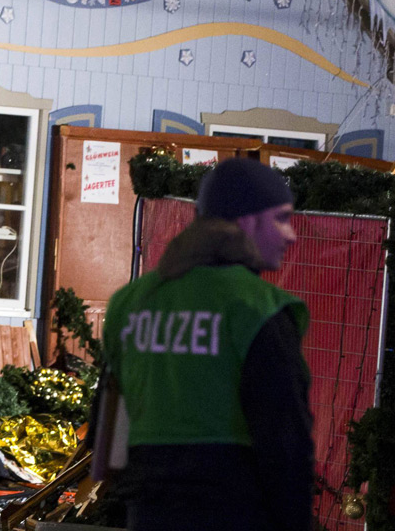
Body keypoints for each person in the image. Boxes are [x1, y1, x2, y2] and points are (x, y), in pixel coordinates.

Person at [95, 158, 314, 531]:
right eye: (281, 218)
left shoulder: (129, 303)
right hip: (234, 512)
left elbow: (110, 431)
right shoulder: (256, 309)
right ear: (247, 220)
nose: (290, 235)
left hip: (148, 513)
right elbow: (285, 445)